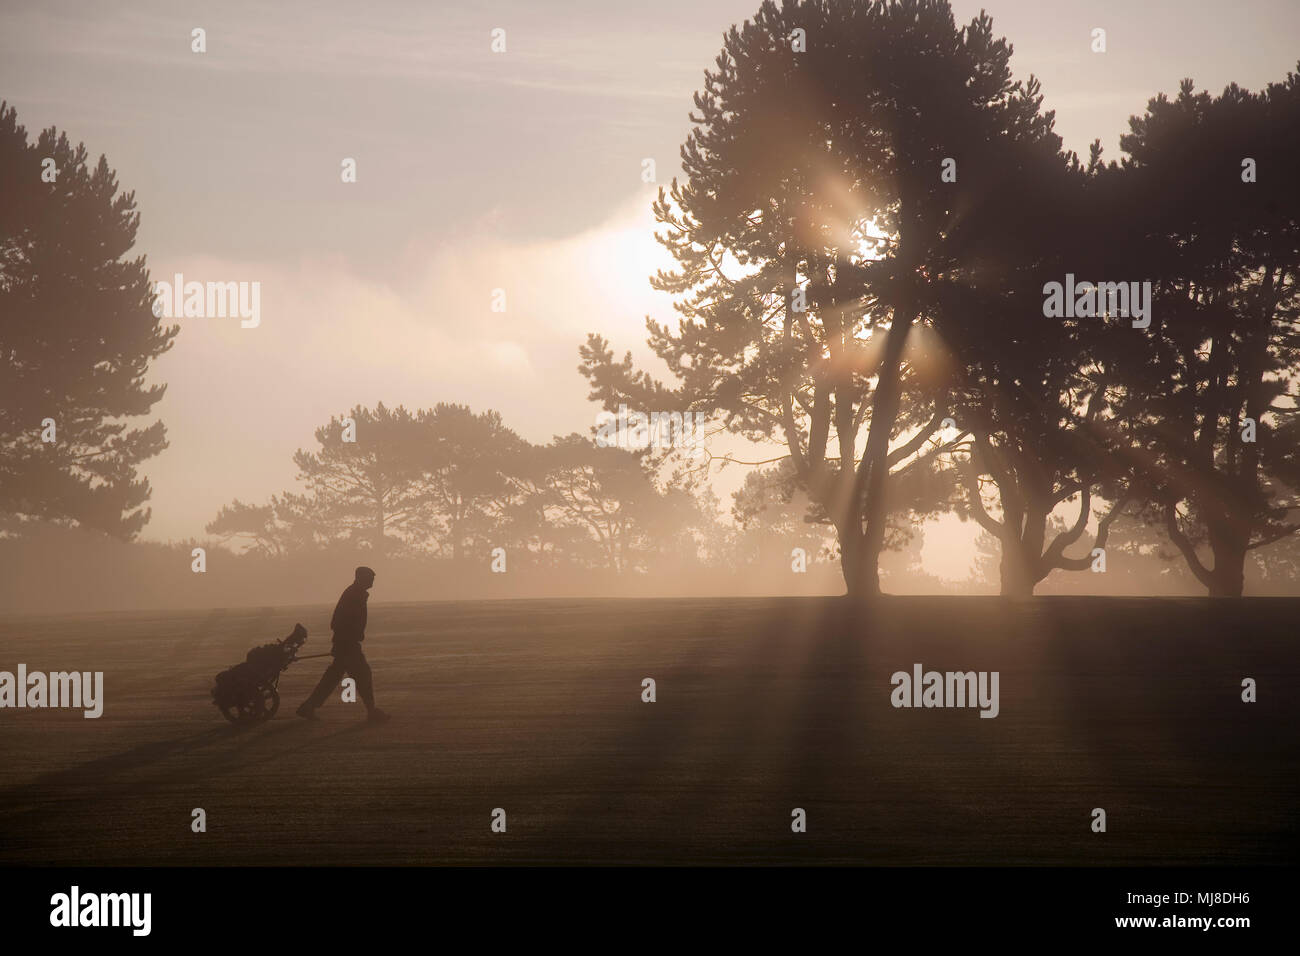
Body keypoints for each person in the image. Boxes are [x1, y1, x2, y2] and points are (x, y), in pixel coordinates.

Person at [297, 566, 390, 723]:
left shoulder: (354, 593)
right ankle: (372, 711)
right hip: (348, 645)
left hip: (345, 643)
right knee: (363, 675)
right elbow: (338, 622)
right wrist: (349, 638)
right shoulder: (354, 595)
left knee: (333, 678)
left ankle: (308, 706)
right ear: (362, 578)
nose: (373, 581)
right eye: (371, 578)